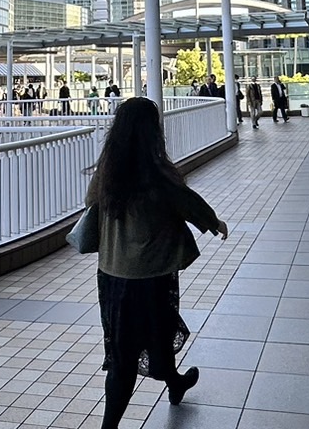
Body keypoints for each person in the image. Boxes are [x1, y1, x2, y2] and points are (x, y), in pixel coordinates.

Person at [85, 98, 228, 428]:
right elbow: (187, 202)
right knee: (154, 340)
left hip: (112, 276)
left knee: (125, 351)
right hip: (151, 277)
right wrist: (213, 221)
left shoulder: (107, 173)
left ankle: (174, 383)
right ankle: (162, 390)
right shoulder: (157, 174)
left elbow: (90, 202)